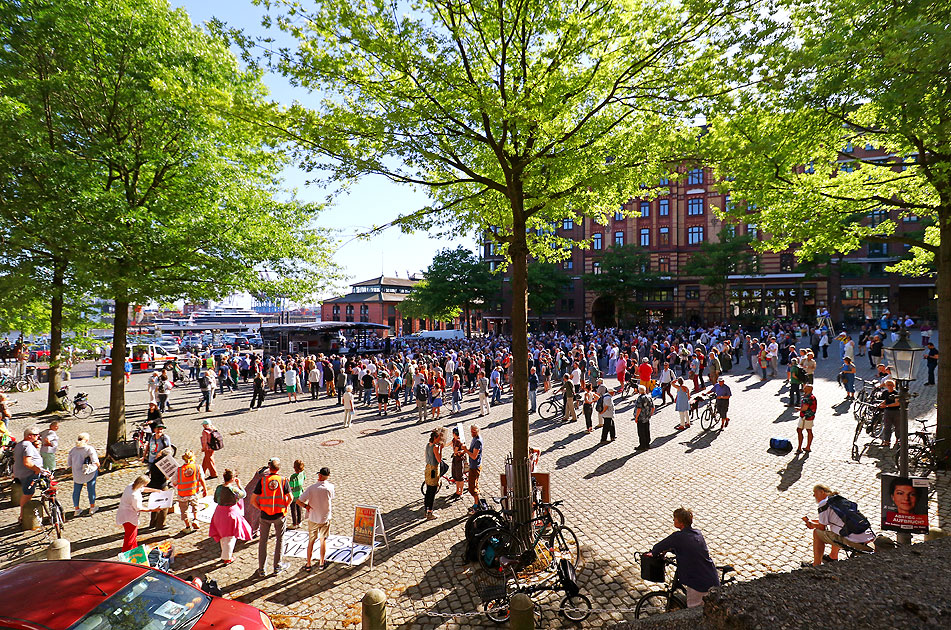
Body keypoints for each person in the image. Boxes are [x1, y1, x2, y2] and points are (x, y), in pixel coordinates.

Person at [648, 507, 720, 608]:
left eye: (675, 518)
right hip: (710, 577)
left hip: (699, 584)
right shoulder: (697, 533)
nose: (673, 520)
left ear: (681, 522)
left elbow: (657, 548)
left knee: (694, 613)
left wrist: (654, 553)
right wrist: (670, 550)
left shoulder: (678, 537)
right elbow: (687, 547)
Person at [801, 484, 875, 566]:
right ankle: (833, 556)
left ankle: (816, 565)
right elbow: (830, 521)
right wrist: (813, 522)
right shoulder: (838, 499)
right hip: (868, 537)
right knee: (836, 530)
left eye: (815, 492)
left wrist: (811, 524)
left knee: (817, 533)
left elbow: (821, 527)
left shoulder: (823, 503)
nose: (813, 495)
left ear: (822, 492)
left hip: (855, 541)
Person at [251, 457, 292, 577]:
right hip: (279, 514)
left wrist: (261, 507)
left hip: (265, 515)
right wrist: (285, 506)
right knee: (280, 540)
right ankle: (277, 566)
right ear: (279, 468)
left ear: (269, 468)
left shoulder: (262, 481)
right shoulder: (283, 480)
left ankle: (262, 569)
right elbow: (290, 498)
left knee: (263, 541)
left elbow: (253, 500)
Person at [209, 469, 253, 563]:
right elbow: (243, 495)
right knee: (230, 536)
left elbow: (215, 499)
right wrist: (239, 485)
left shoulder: (219, 487)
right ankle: (227, 558)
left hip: (219, 512)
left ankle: (226, 554)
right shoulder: (234, 489)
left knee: (222, 535)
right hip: (230, 513)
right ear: (232, 478)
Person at [297, 466, 335, 571]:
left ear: (319, 475)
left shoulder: (311, 488)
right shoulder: (330, 487)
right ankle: (322, 563)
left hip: (313, 518)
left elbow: (298, 501)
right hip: (325, 518)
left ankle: (308, 564)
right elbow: (331, 497)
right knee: (323, 541)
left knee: (311, 541)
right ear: (328, 476)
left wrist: (306, 506)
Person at [116, 475, 158, 552]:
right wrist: (152, 509)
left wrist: (155, 490)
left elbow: (143, 489)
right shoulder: (135, 495)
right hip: (129, 517)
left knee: (132, 535)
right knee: (130, 537)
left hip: (124, 514)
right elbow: (139, 508)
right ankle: (127, 553)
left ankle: (134, 549)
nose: (146, 485)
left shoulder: (131, 486)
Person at [13, 426, 44, 525]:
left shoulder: (19, 444)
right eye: (36, 435)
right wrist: (37, 470)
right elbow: (27, 462)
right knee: (28, 494)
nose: (38, 436)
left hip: (20, 472)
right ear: (29, 436)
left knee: (28, 493)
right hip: (28, 474)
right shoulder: (28, 446)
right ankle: (23, 515)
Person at [68, 432, 99, 517]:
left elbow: (69, 463)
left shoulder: (73, 450)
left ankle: (76, 509)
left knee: (76, 491)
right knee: (91, 489)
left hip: (77, 473)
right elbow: (95, 461)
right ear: (87, 440)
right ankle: (92, 507)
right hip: (90, 471)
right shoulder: (89, 449)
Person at [175, 450, 207, 532]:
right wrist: (204, 489)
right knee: (195, 507)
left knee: (184, 510)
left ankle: (187, 527)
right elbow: (202, 479)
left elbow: (174, 482)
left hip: (182, 494)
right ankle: (195, 520)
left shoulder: (179, 470)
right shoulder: (198, 467)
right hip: (194, 492)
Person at [423, 428, 445, 520]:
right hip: (433, 470)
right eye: (439, 438)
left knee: (428, 490)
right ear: (435, 438)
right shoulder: (435, 447)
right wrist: (441, 449)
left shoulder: (428, 445)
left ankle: (426, 509)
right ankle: (430, 512)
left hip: (428, 468)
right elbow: (439, 459)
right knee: (432, 491)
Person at [464, 425, 483, 514]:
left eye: (474, 431)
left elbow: (474, 456)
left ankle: (476, 506)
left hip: (475, 467)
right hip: (473, 465)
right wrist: (466, 450)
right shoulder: (474, 439)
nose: (472, 433)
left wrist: (466, 450)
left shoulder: (478, 441)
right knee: (474, 485)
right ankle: (477, 504)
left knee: (472, 488)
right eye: (471, 431)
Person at [878, 379, 901, 449]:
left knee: (898, 427)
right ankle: (887, 441)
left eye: (891, 385)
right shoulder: (885, 392)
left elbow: (897, 403)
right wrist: (881, 404)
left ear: (894, 385)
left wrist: (886, 406)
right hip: (887, 412)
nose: (890, 386)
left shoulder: (896, 393)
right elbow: (885, 400)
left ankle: (898, 439)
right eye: (888, 385)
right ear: (886, 386)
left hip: (896, 412)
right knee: (887, 426)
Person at [797, 384, 817, 453]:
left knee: (799, 430)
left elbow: (804, 408)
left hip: (805, 416)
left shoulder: (807, 398)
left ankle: (799, 448)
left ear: (808, 390)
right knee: (809, 430)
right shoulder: (813, 397)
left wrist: (799, 409)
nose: (803, 389)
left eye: (805, 388)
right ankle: (808, 447)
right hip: (811, 416)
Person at [633, 385, 653, 450]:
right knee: (647, 430)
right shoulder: (649, 397)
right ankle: (647, 444)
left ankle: (642, 445)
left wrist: (636, 417)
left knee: (641, 432)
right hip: (647, 417)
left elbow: (639, 409)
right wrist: (650, 414)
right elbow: (653, 407)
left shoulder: (640, 398)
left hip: (641, 418)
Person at [289, 460, 306, 530]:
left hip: (294, 495)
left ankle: (294, 523)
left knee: (293, 509)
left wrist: (288, 482)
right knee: (299, 508)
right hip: (300, 493)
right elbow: (304, 479)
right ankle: (299, 521)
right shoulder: (303, 473)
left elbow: (291, 487)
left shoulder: (293, 477)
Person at [449, 427, 466, 497]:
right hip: (456, 459)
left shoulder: (458, 441)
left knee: (459, 477)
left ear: (454, 434)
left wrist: (452, 446)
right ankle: (457, 491)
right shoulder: (455, 440)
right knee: (456, 476)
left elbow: (455, 451)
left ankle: (460, 492)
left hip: (458, 460)